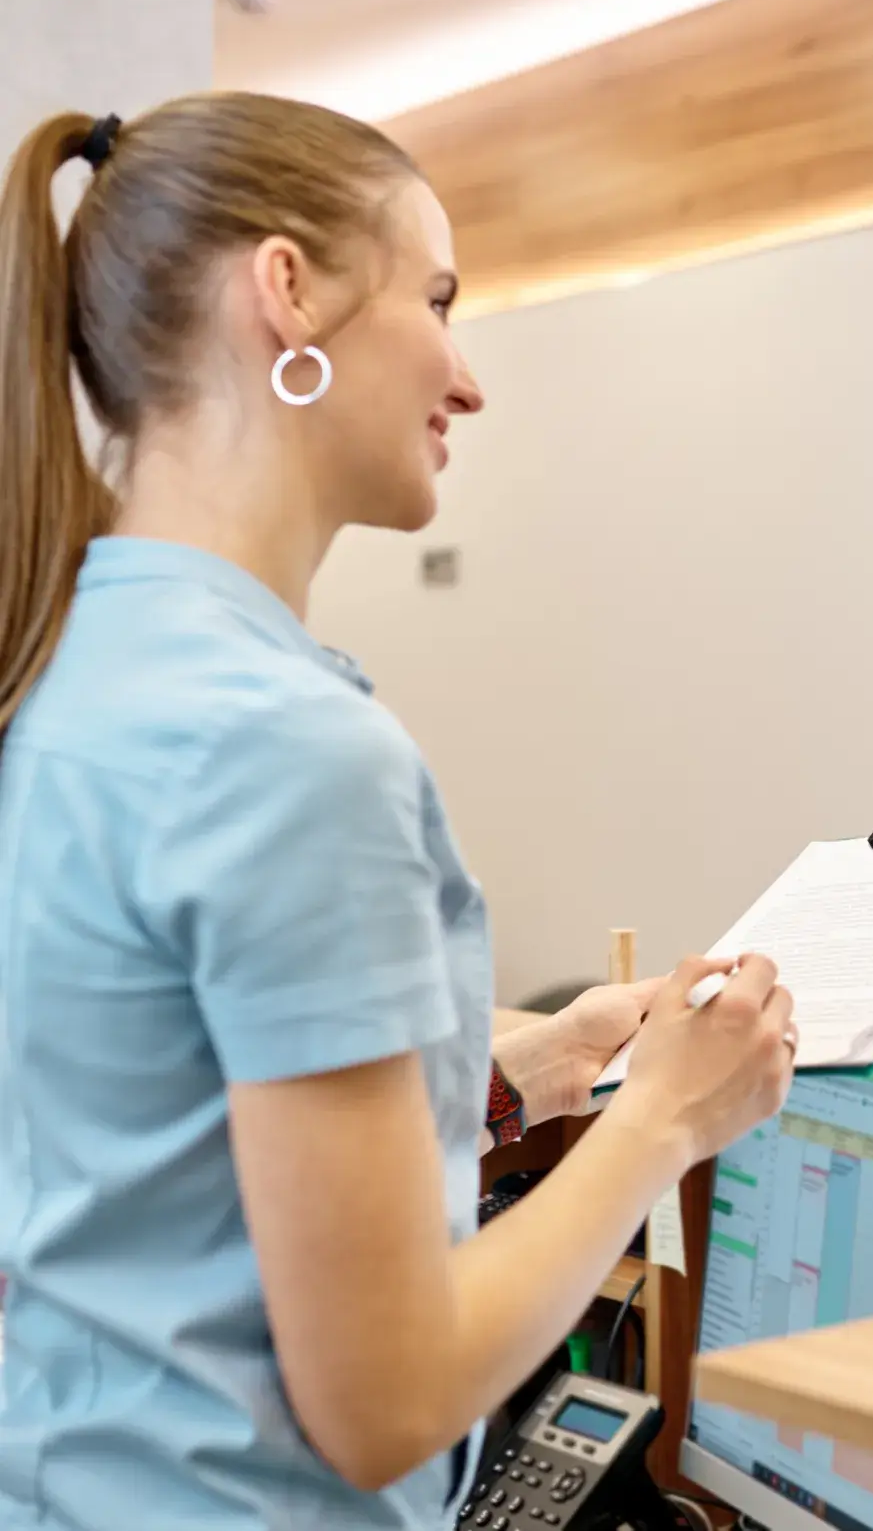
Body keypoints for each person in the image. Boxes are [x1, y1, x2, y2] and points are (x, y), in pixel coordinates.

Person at [0, 96, 796, 1530]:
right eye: (436, 298)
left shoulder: (62, 667)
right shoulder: (288, 748)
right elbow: (384, 1398)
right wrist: (663, 1119)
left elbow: (153, 1132)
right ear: (287, 289)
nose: (468, 377)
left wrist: (521, 1074)